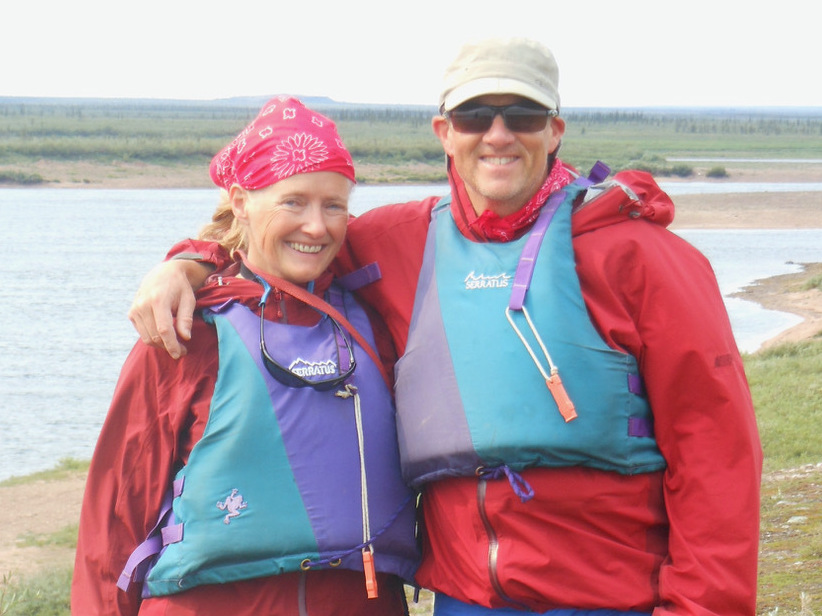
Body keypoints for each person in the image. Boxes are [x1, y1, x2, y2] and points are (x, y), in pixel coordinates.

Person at [129, 38, 763, 616]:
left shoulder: (645, 258)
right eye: (473, 117)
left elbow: (716, 452)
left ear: (555, 130)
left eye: (522, 116)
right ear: (443, 131)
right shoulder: (398, 243)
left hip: (614, 598)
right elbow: (286, 242)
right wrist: (189, 262)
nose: (498, 135)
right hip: (466, 599)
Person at [72, 96, 419, 616]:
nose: (317, 227)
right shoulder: (187, 332)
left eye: (334, 205)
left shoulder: (373, 320)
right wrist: (187, 266)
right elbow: (116, 515)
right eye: (293, 202)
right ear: (240, 201)